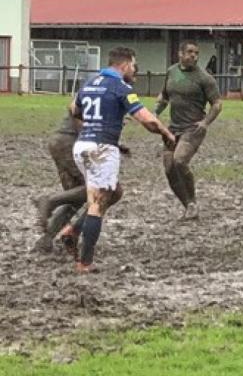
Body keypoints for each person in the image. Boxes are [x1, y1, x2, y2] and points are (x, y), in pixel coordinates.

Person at [59, 47, 175, 273]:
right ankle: (84, 262)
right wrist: (166, 133)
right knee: (98, 203)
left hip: (82, 146)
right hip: (101, 149)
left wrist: (93, 124)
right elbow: (147, 120)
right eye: (133, 65)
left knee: (115, 192)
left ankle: (73, 230)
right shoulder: (121, 88)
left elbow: (74, 108)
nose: (134, 69)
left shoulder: (90, 83)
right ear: (124, 65)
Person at [154, 40, 223, 220]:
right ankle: (189, 207)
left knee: (179, 161)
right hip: (173, 128)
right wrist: (154, 113)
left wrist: (206, 122)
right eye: (190, 52)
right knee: (169, 169)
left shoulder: (204, 78)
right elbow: (164, 96)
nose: (194, 56)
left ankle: (191, 201)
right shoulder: (171, 72)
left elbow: (217, 103)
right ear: (180, 54)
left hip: (192, 128)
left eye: (196, 53)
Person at [32, 114, 87, 253]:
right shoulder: (104, 95)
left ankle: (45, 240)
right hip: (70, 143)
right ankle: (49, 201)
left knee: (75, 196)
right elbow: (77, 114)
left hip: (60, 140)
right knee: (95, 190)